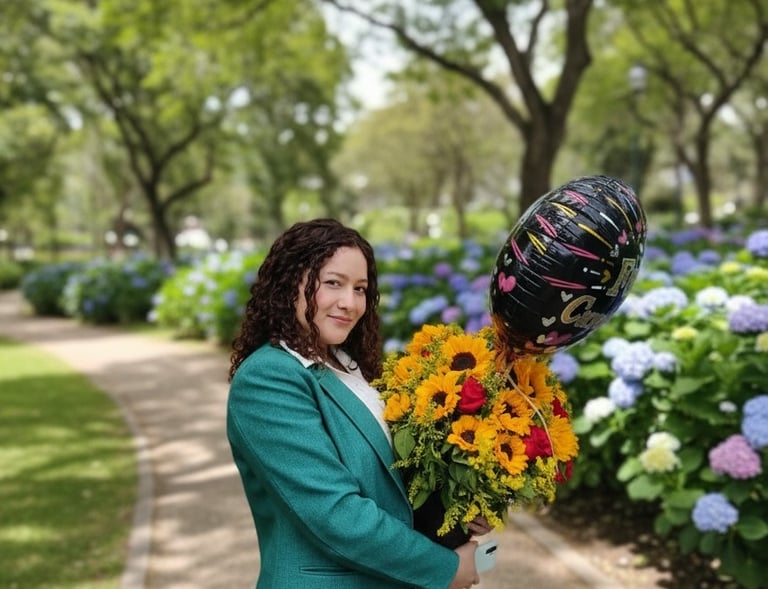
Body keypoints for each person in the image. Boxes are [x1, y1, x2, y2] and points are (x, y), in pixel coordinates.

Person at [227, 218, 489, 589]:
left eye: (361, 288)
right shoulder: (268, 379)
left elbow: (390, 480)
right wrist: (443, 569)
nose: (349, 303)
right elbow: (335, 516)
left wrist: (458, 505)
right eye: (333, 283)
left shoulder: (350, 369)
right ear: (290, 284)